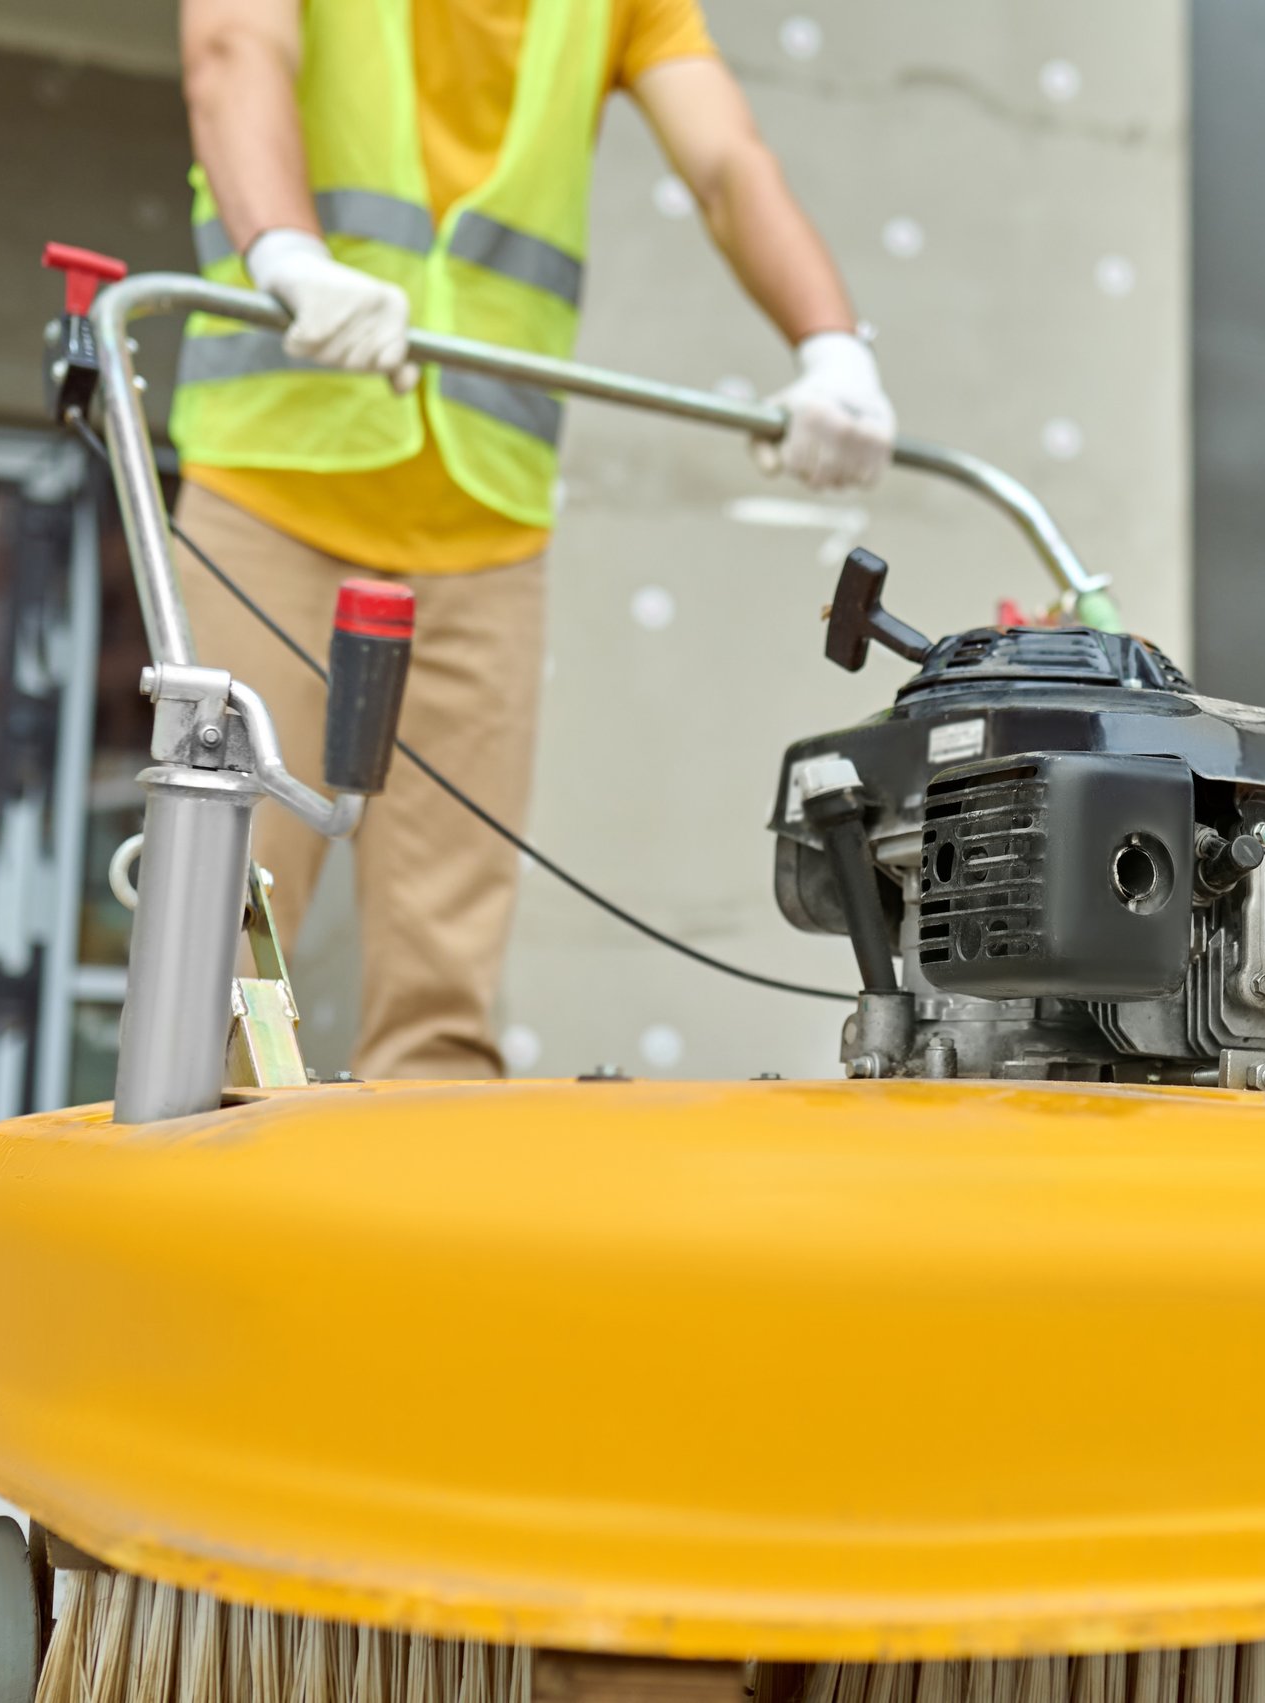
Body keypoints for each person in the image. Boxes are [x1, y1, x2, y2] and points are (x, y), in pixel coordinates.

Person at [170, 0, 894, 1078]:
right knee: (214, 946)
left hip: (483, 531)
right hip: (271, 493)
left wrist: (832, 346)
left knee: (441, 1001)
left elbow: (726, 164)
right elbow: (233, 49)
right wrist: (285, 255)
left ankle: (420, 1240)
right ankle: (188, 1223)